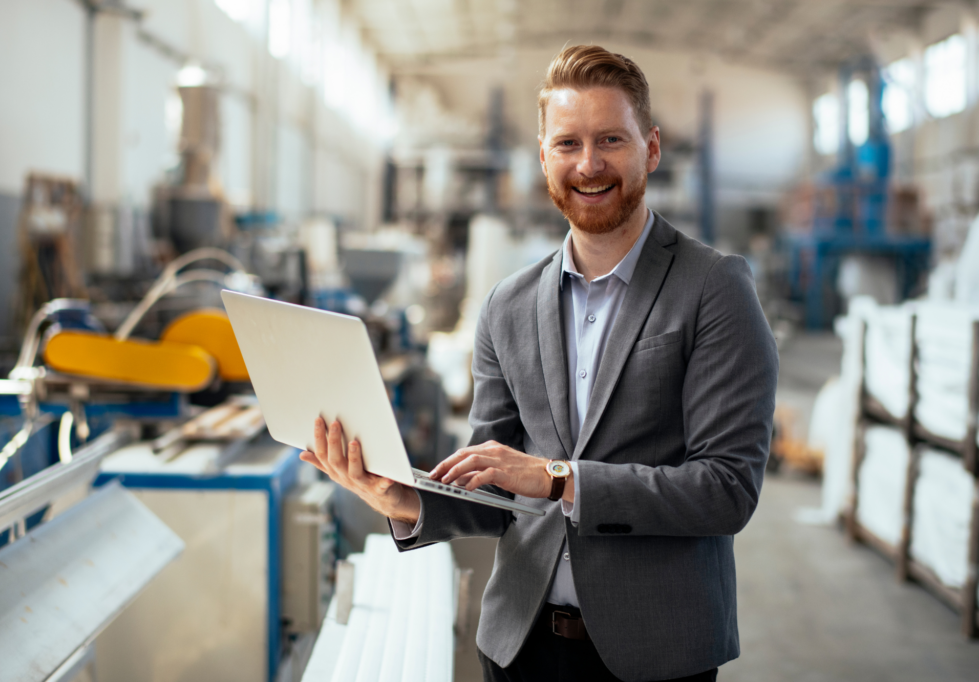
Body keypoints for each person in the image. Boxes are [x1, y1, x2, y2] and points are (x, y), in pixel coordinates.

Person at [300, 44, 778, 682]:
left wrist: (560, 477)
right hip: (520, 647)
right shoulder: (508, 304)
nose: (589, 164)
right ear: (543, 157)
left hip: (655, 655)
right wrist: (403, 499)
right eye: (567, 144)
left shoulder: (714, 287)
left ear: (652, 149)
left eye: (611, 139)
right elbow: (495, 482)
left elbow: (727, 490)